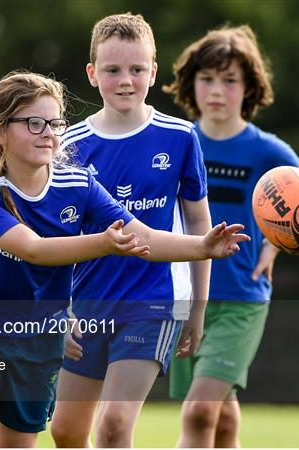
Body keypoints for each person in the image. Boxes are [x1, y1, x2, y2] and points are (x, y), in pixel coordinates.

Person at [0, 70, 249, 448]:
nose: (49, 133)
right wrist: (104, 243)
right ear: (0, 131)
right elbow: (35, 249)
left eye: (55, 123)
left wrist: (201, 247)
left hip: (39, 337)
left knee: (18, 442)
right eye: (34, 123)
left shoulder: (79, 185)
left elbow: (144, 236)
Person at [50, 13, 232, 448]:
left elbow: (199, 223)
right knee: (65, 431)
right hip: (87, 302)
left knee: (113, 426)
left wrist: (200, 305)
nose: (126, 80)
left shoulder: (180, 136)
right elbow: (55, 235)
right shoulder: (68, 146)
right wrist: (60, 306)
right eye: (113, 69)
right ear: (93, 74)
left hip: (154, 302)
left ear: (153, 71)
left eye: (137, 69)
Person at [163, 25, 299, 447]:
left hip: (242, 299)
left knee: (200, 410)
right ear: (190, 83)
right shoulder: (180, 143)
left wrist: (276, 242)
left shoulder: (268, 151)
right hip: (187, 296)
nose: (216, 90)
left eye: (229, 80)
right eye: (206, 78)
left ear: (249, 87)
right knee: (220, 421)